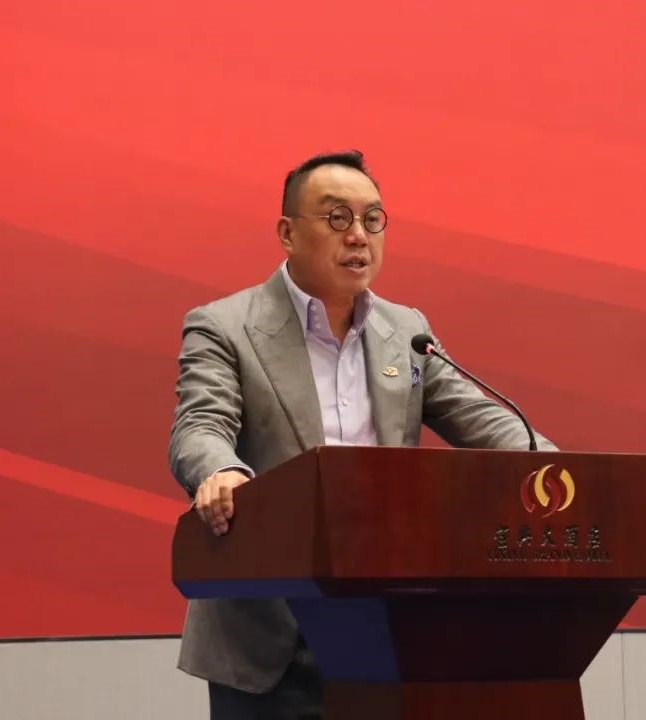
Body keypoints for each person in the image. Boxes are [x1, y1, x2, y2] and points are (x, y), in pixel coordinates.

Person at [168, 150, 557, 719]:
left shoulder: (406, 331)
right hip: (271, 634)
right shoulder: (226, 326)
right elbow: (200, 424)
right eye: (337, 218)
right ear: (287, 233)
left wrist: (557, 467)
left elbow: (483, 420)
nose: (358, 236)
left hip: (385, 628)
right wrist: (220, 470)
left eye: (372, 220)